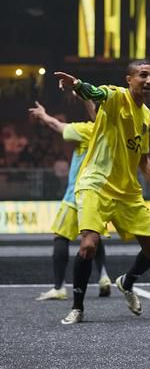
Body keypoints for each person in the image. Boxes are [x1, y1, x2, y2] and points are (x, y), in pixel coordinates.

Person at [54, 61, 150, 325]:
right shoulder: (116, 96)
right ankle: (77, 307)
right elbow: (95, 93)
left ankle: (126, 282)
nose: (149, 80)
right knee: (88, 245)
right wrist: (77, 85)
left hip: (127, 190)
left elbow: (143, 158)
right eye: (143, 75)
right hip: (95, 183)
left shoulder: (146, 115)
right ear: (129, 79)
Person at [30, 100, 112, 301]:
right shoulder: (113, 133)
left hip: (77, 193)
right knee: (92, 235)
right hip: (100, 194)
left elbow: (57, 125)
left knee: (61, 236)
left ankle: (59, 287)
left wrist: (43, 115)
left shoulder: (88, 129)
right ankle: (104, 277)